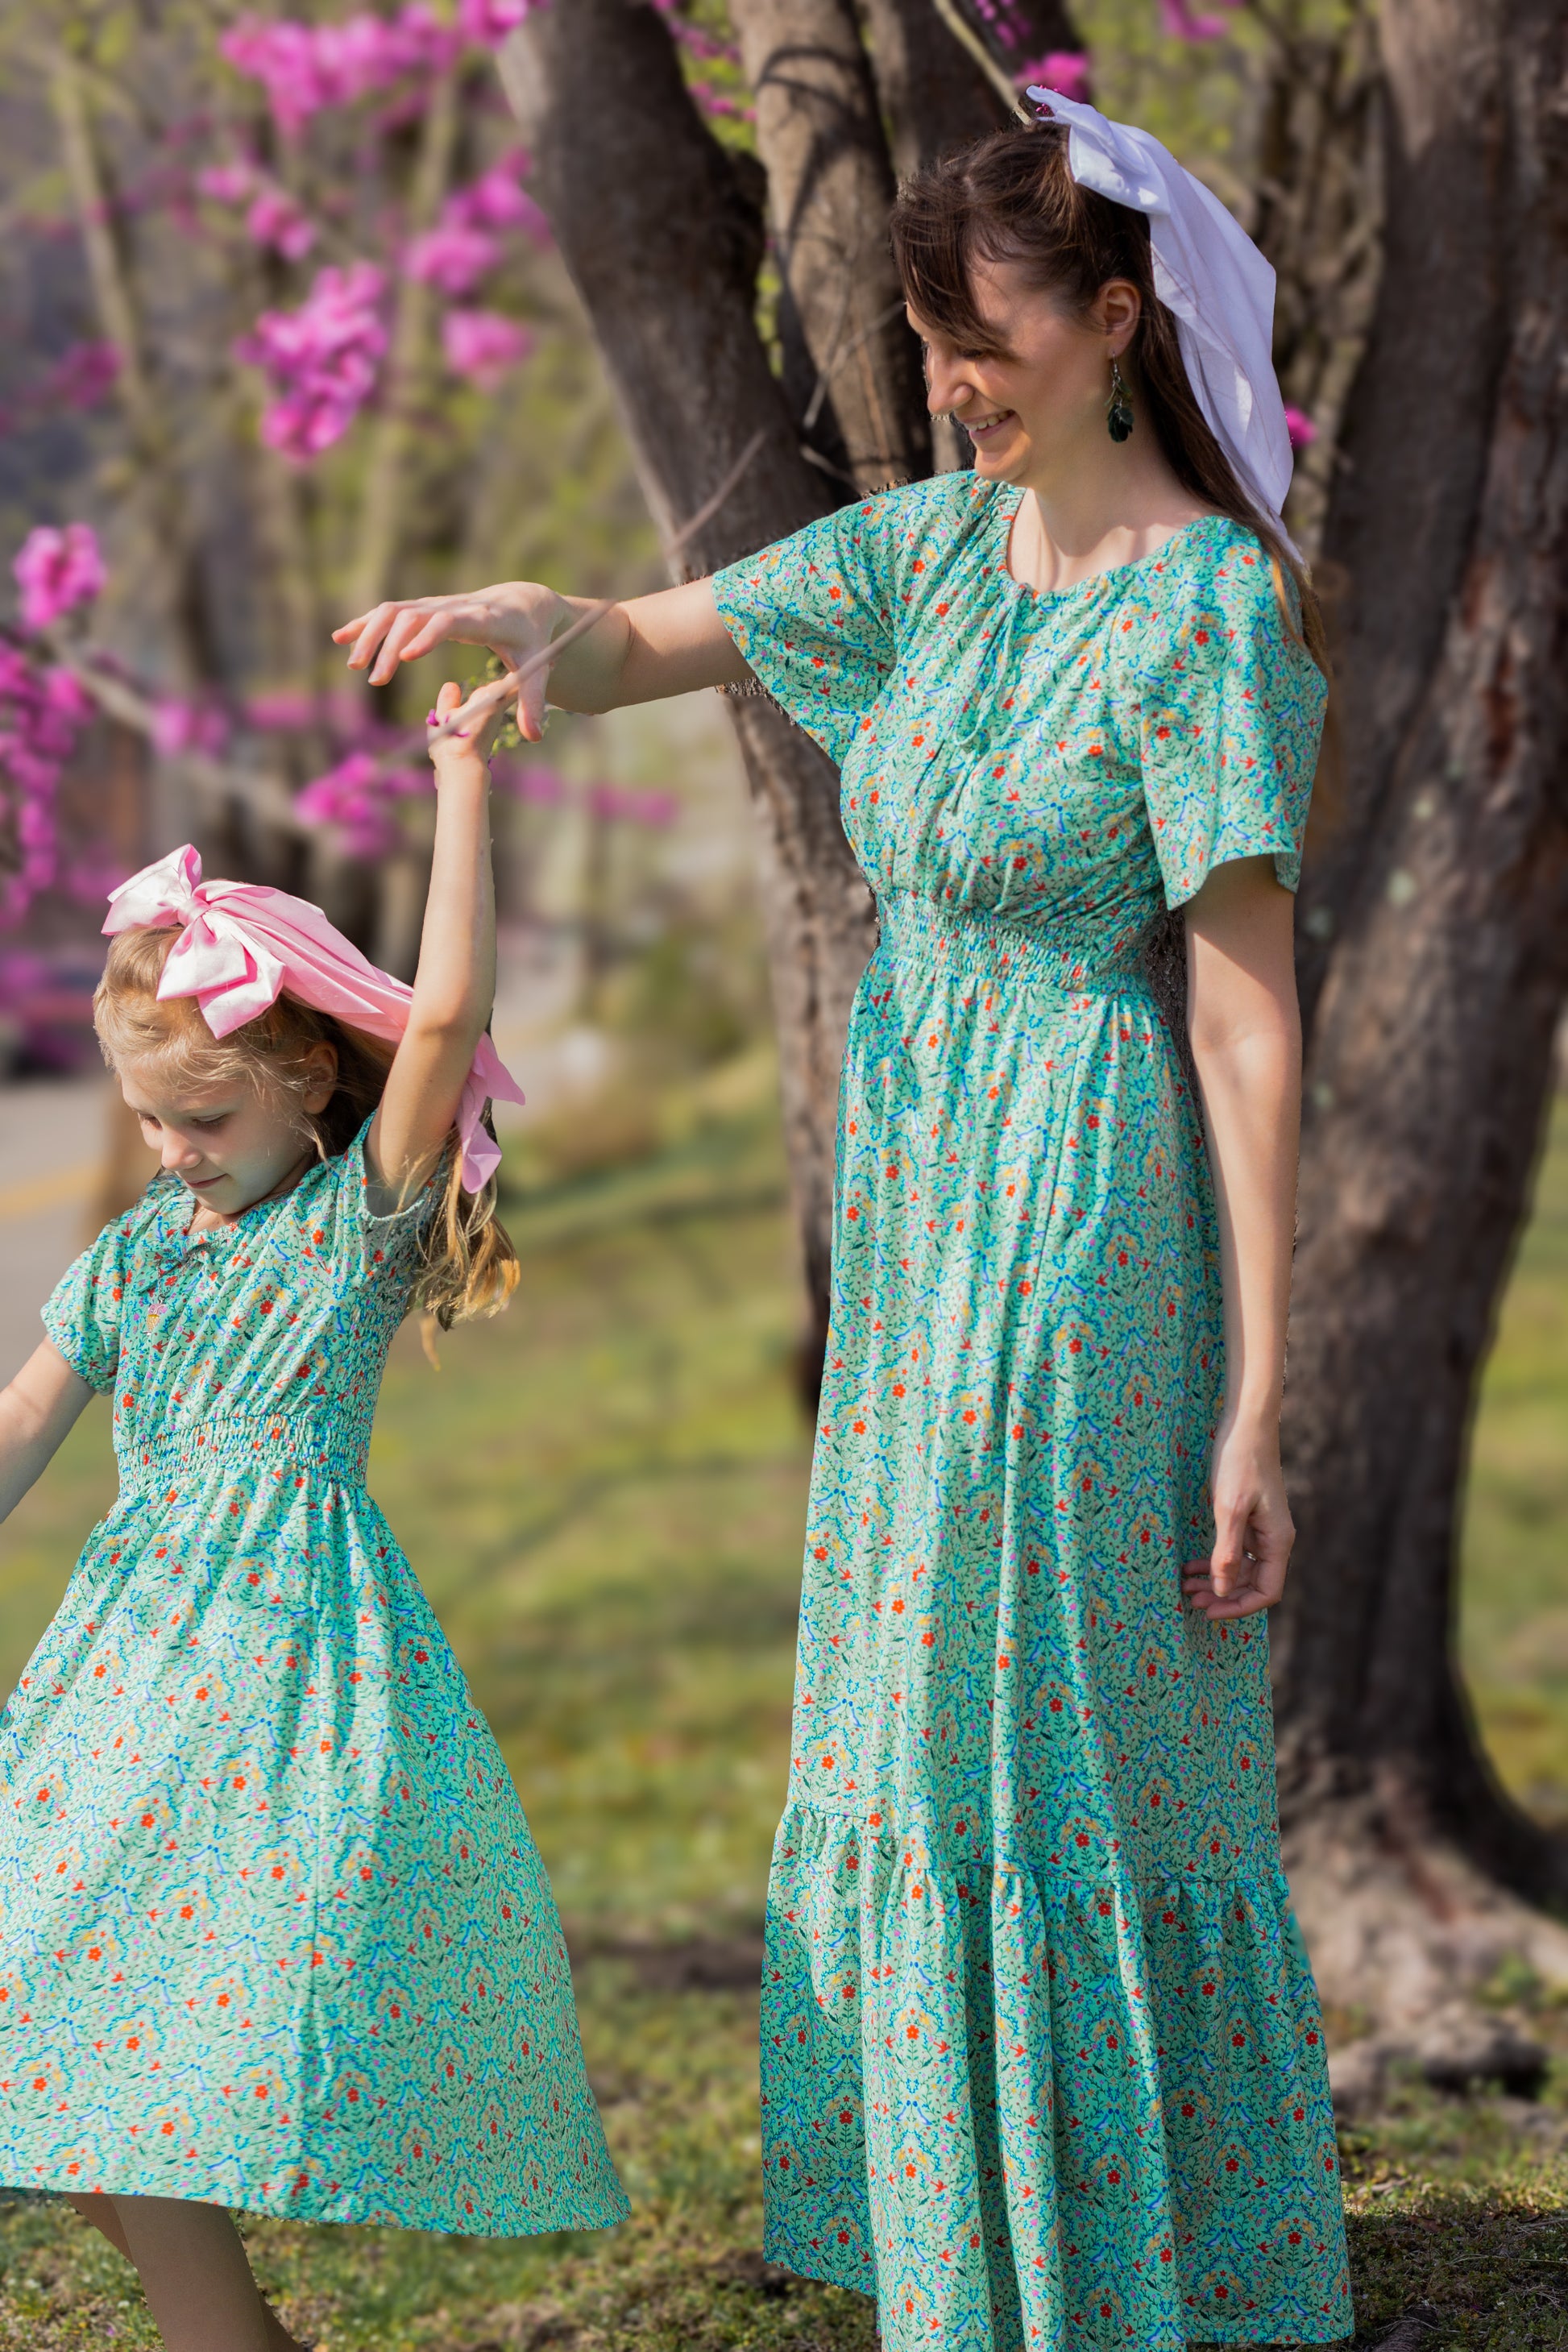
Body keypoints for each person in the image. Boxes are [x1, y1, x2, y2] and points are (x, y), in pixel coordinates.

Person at [335, 89, 1350, 2352]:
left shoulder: (1208, 613)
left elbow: (1245, 1018)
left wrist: (1258, 1397)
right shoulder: (929, 553)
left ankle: (1114, 2269)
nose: (943, 380)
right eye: (921, 338)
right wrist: (513, 619)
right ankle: (974, 2253)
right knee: (912, 1706)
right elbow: (635, 635)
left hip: (1078, 1208)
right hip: (909, 1219)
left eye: (977, 337)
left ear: (1116, 322)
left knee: (1042, 1720)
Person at [0, 682, 627, 2350]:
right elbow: (25, 1416)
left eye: (204, 1117)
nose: (172, 1150)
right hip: (120, 1669)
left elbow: (445, 1016)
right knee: (49, 2031)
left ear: (299, 1080)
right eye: (147, 1116)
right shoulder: (139, 1252)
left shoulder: (347, 1232)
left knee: (132, 2049)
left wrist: (459, 780)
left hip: (272, 1680)